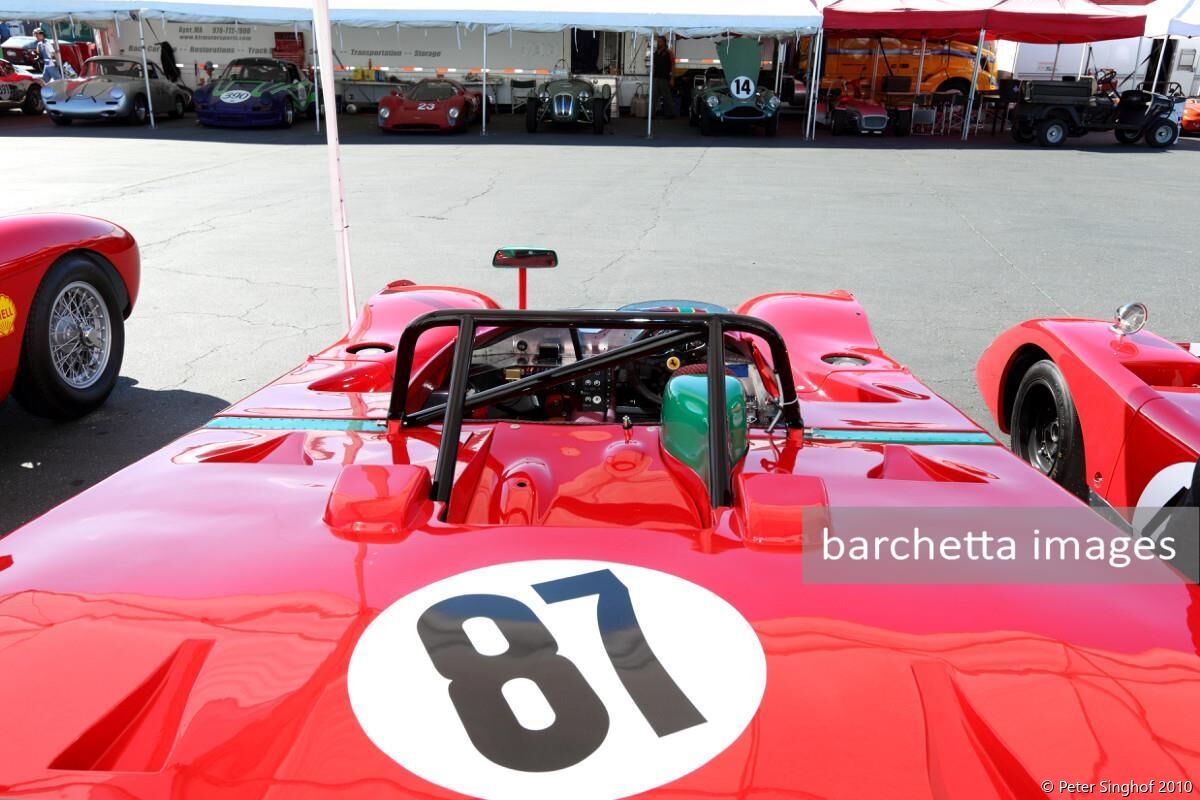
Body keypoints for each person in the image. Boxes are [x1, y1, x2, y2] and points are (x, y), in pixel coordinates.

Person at [652, 36, 675, 119]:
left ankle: (671, 114)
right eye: (658, 42)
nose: (658, 43)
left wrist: (672, 78)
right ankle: (652, 114)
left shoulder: (669, 52)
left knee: (667, 96)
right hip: (656, 77)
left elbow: (672, 65)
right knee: (653, 96)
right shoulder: (656, 53)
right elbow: (654, 65)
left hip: (664, 77)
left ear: (664, 43)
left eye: (660, 42)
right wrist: (652, 76)